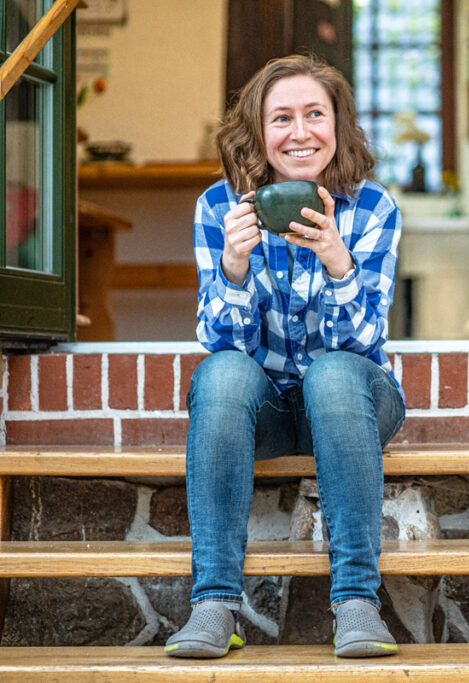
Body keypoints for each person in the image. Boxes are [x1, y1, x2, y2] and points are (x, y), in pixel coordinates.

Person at [164, 54, 404, 659]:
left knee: (331, 374)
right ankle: (215, 605)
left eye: (314, 114)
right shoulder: (219, 208)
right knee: (218, 375)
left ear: (338, 125)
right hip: (266, 409)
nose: (300, 133)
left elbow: (362, 344)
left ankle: (357, 603)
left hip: (353, 399)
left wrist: (337, 261)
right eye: (282, 118)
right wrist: (234, 268)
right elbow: (223, 347)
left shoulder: (373, 208)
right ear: (257, 130)